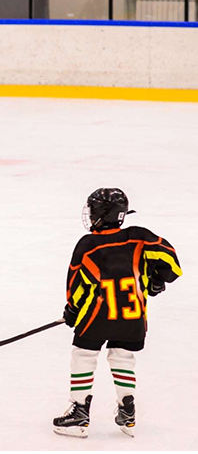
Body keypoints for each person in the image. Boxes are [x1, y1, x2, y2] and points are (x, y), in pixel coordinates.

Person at [52, 188, 182, 438]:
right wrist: (157, 280)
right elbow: (172, 264)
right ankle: (127, 411)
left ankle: (79, 412)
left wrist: (72, 311)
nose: (90, 216)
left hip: (98, 315)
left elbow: (76, 287)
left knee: (84, 354)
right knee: (122, 356)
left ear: (101, 215)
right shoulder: (140, 237)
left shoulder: (88, 245)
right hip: (133, 318)